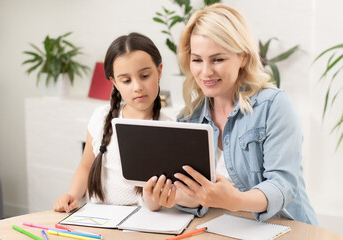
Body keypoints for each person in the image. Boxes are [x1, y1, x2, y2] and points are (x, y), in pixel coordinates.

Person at [171, 3, 318, 225]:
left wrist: (236, 200)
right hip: (224, 229)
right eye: (197, 59)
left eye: (218, 59)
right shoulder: (188, 118)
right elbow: (192, 195)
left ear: (243, 58)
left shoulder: (274, 106)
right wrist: (168, 196)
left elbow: (282, 185)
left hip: (286, 228)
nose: (206, 71)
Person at [53, 32, 177, 212]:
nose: (137, 87)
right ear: (114, 82)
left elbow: (164, 193)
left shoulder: (171, 129)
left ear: (159, 71)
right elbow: (85, 166)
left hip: (142, 221)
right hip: (98, 217)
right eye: (126, 80)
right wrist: (72, 195)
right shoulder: (101, 118)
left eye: (144, 76)